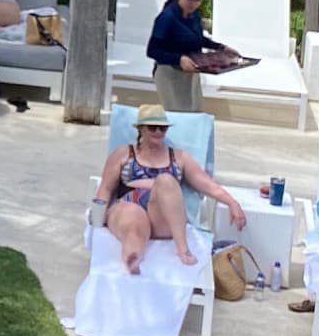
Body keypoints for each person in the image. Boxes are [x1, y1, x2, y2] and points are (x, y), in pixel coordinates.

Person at [91, 106, 244, 275]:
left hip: (161, 217)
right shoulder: (123, 154)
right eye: (152, 127)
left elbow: (207, 184)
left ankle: (182, 248)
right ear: (140, 128)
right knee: (134, 220)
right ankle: (133, 258)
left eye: (162, 128)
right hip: (128, 207)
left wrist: (232, 203)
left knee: (166, 181)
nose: (158, 132)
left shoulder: (178, 157)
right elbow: (106, 187)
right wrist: (97, 217)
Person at [146, 0, 209, 112]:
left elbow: (196, 39)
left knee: (195, 114)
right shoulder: (167, 17)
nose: (193, 3)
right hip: (169, 72)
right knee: (177, 116)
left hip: (191, 72)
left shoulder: (194, 15)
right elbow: (152, 50)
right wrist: (179, 59)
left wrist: (221, 48)